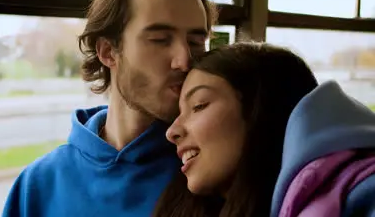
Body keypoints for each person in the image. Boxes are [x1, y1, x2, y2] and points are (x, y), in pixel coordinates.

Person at [2, 0, 217, 216]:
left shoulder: (210, 173)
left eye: (195, 42)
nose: (184, 60)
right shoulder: (38, 185)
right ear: (108, 52)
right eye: (160, 39)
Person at [153, 42, 375, 217]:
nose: (172, 131)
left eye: (198, 106)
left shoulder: (361, 193)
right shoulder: (195, 204)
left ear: (261, 110)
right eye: (178, 113)